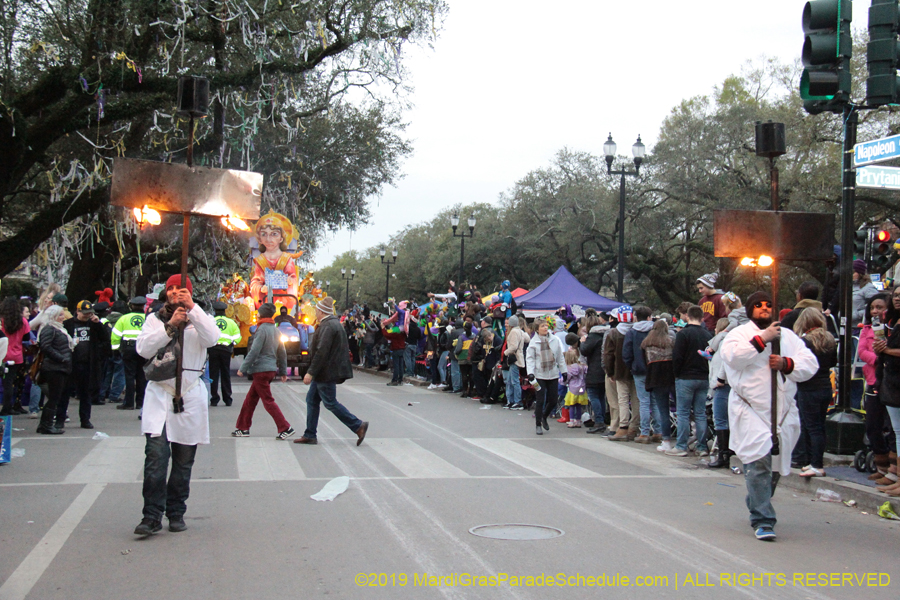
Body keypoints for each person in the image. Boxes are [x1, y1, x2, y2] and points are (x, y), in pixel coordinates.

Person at [720, 290, 817, 541]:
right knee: (758, 460)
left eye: (768, 305)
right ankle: (763, 519)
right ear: (751, 308)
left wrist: (786, 364)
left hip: (781, 413)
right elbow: (733, 358)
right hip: (750, 410)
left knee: (774, 468)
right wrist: (762, 339)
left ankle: (757, 497)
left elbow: (810, 364)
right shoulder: (738, 334)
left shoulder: (789, 337)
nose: (764, 309)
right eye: (759, 306)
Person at [133, 275, 220, 536]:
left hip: (190, 396)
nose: (174, 293)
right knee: (156, 461)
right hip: (160, 395)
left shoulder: (200, 319)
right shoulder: (154, 319)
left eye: (180, 289)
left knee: (183, 464)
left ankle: (176, 511)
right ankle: (151, 515)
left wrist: (192, 309)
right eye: (170, 289)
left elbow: (213, 338)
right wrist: (170, 325)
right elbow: (143, 350)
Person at [294, 297, 368, 446]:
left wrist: (310, 372)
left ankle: (357, 425)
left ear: (321, 311)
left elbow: (322, 351)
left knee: (330, 402)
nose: (315, 312)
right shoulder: (331, 324)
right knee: (312, 400)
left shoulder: (328, 326)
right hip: (326, 370)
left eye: (316, 310)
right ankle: (310, 434)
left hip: (326, 371)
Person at [232, 303, 293, 439]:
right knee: (250, 400)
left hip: (260, 369)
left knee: (268, 401)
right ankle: (243, 428)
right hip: (270, 369)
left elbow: (254, 351)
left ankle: (285, 427)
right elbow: (282, 352)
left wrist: (243, 368)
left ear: (261, 314)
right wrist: (283, 371)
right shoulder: (276, 330)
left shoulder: (261, 329)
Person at [791, 308, 838, 478]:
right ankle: (814, 461)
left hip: (808, 387)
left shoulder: (804, 342)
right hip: (825, 385)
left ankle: (816, 464)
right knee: (819, 425)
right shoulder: (830, 339)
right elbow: (834, 361)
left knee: (811, 426)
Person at [668, 305, 712, 457]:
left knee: (683, 413)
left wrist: (676, 373)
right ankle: (701, 446)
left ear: (687, 316)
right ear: (702, 317)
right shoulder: (708, 335)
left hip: (685, 376)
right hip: (703, 376)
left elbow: (677, 357)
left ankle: (681, 446)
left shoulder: (683, 334)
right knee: (700, 413)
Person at [858, 294, 894, 483]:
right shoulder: (867, 328)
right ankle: (881, 463)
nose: (875, 311)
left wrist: (885, 354)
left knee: (892, 426)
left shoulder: (892, 328)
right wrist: (877, 359)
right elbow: (862, 350)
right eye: (872, 308)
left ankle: (892, 466)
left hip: (891, 381)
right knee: (872, 424)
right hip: (873, 379)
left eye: (879, 307)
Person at [61, 301, 108, 428]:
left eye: (89, 313)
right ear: (78, 311)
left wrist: (98, 324)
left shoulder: (93, 324)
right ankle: (60, 419)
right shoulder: (68, 324)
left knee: (86, 393)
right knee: (65, 392)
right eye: (84, 313)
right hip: (72, 363)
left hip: (88, 363)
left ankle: (85, 419)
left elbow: (104, 339)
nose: (87, 316)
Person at [872, 285, 900, 496]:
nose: (898, 298)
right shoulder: (893, 321)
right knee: (897, 432)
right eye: (896, 295)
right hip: (890, 380)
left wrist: (887, 350)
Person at [525, 316, 566, 436]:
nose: (545, 328)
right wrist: (530, 373)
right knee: (540, 399)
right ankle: (538, 424)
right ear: (537, 329)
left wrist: (563, 371)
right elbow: (530, 359)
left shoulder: (555, 340)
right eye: (542, 326)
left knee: (553, 399)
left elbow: (560, 357)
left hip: (552, 374)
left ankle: (544, 416)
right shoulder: (533, 342)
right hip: (539, 375)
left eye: (546, 325)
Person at [604, 306, 639, 441]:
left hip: (619, 370)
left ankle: (623, 426)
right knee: (636, 399)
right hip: (636, 370)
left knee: (623, 399)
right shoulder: (637, 331)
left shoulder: (613, 333)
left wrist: (609, 372)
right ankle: (634, 426)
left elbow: (608, 355)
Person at [35, 306, 71, 435]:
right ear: (54, 316)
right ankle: (47, 425)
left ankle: (44, 424)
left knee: (54, 397)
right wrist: (61, 358)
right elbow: (45, 346)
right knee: (54, 398)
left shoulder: (60, 329)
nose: (63, 317)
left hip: (60, 367)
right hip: (53, 368)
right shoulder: (49, 329)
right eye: (60, 315)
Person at [622, 305, 655, 443]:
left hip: (639, 369)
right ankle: (658, 431)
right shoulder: (655, 330)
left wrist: (632, 365)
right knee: (656, 401)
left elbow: (626, 352)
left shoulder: (632, 332)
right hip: (654, 368)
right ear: (649, 317)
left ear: (636, 317)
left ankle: (645, 432)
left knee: (644, 401)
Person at [642, 319, 675, 452]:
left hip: (655, 379)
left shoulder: (646, 343)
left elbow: (645, 363)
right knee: (681, 410)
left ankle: (665, 440)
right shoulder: (671, 342)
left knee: (663, 411)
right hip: (671, 378)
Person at [111, 296, 148, 411]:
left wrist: (115, 350)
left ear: (131, 306)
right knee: (142, 376)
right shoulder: (148, 318)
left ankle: (129, 403)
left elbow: (115, 335)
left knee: (129, 376)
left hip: (129, 348)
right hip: (143, 348)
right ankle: (141, 403)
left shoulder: (124, 318)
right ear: (143, 306)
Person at [706, 318, 733, 468]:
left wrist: (720, 379)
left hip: (722, 385)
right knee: (725, 419)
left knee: (721, 419)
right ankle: (726, 452)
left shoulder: (723, 343)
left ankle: (724, 454)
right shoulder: (723, 343)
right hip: (723, 384)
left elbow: (724, 363)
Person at [0, 297, 31, 416]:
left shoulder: (1, 320)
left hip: (2, 353)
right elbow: (27, 338)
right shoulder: (23, 321)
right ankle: (7, 407)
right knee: (9, 383)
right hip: (16, 355)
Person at [580, 313, 610, 434]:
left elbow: (584, 351)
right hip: (605, 370)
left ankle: (599, 421)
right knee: (601, 396)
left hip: (594, 370)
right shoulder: (606, 334)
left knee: (593, 396)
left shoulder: (592, 336)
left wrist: (582, 342)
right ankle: (602, 419)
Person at [209, 302, 240, 407]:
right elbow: (237, 337)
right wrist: (232, 344)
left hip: (213, 349)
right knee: (225, 374)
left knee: (213, 374)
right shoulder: (231, 322)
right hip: (226, 350)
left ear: (215, 311)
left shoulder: (210, 321)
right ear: (225, 311)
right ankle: (227, 398)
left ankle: (214, 398)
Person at [563, 344, 588, 428]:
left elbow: (567, 378)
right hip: (581, 388)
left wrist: (562, 382)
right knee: (579, 405)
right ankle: (578, 421)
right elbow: (586, 372)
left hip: (573, 389)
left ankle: (572, 421)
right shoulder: (582, 366)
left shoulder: (569, 368)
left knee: (572, 405)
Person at [503, 316, 526, 409]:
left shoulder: (513, 332)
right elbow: (527, 338)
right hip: (519, 357)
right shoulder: (520, 331)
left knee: (513, 381)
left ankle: (516, 401)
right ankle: (512, 400)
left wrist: (506, 352)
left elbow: (513, 346)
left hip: (514, 358)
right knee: (511, 380)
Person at [852, 260, 879, 329]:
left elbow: (875, 307)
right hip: (848, 326)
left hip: (861, 327)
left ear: (860, 273)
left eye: (853, 272)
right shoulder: (849, 286)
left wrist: (856, 314)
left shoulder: (868, 288)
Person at [455, 322, 476, 398]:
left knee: (464, 374)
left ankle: (464, 391)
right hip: (471, 357)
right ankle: (470, 391)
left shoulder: (461, 337)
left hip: (462, 357)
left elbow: (459, 348)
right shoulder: (474, 336)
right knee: (471, 374)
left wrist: (456, 353)